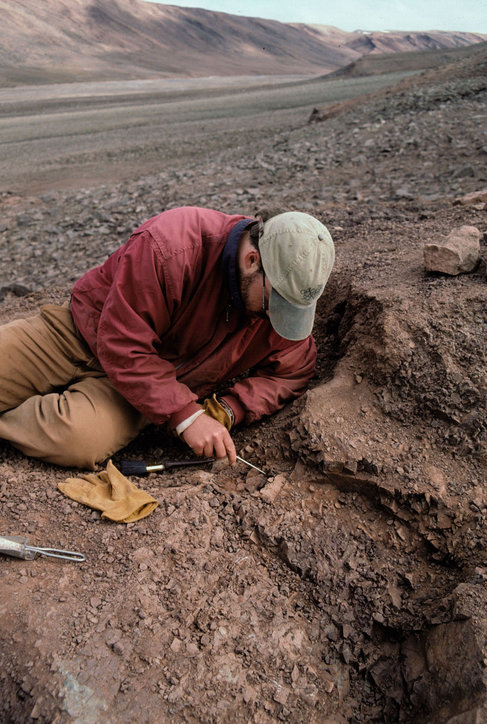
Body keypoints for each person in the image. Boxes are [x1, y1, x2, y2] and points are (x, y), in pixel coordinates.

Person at [0, 206, 334, 469]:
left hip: (148, 388)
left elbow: (294, 369)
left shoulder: (282, 300)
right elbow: (124, 343)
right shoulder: (172, 245)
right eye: (275, 304)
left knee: (76, 439)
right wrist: (187, 418)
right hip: (79, 331)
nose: (277, 318)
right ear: (252, 261)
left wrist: (229, 408)